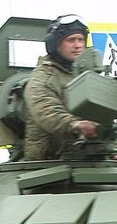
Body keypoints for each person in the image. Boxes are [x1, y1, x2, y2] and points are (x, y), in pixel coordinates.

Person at [22, 15, 104, 162]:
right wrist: (74, 124)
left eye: (81, 40)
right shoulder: (43, 75)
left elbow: (104, 113)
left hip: (88, 160)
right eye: (71, 40)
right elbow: (45, 109)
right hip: (47, 164)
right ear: (56, 44)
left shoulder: (88, 74)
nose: (78, 45)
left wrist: (116, 149)